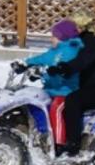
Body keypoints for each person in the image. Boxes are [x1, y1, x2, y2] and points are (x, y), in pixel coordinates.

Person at [48, 11, 95, 159]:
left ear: (84, 27)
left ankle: (73, 144)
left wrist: (63, 68)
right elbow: (60, 56)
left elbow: (81, 62)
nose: (74, 29)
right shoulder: (77, 42)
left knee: (73, 100)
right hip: (89, 88)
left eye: (77, 26)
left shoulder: (91, 42)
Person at [14, 20, 83, 152]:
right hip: (52, 91)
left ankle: (59, 143)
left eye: (54, 36)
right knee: (33, 102)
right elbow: (41, 59)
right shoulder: (54, 51)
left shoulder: (72, 52)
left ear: (63, 37)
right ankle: (41, 133)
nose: (51, 38)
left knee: (56, 109)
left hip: (68, 92)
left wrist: (43, 73)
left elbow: (62, 73)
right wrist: (25, 64)